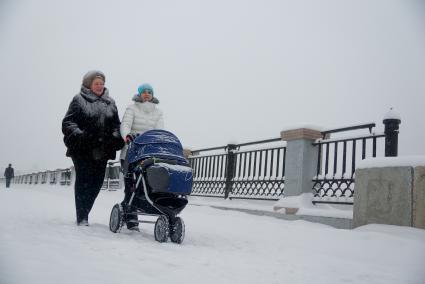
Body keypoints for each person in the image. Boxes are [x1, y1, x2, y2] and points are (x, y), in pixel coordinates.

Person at [62, 70, 124, 226]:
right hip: (82, 147)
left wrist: (116, 136)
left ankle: (85, 211)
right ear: (89, 84)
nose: (100, 86)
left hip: (102, 149)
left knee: (96, 183)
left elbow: (117, 125)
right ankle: (82, 217)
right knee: (84, 181)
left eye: (102, 83)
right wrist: (80, 134)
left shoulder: (110, 103)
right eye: (96, 83)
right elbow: (68, 123)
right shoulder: (79, 100)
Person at [120, 83, 164, 230]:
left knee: (143, 186)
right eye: (144, 92)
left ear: (152, 95)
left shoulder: (158, 113)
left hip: (148, 154)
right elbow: (125, 124)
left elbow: (160, 130)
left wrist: (159, 141)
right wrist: (127, 135)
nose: (146, 94)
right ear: (139, 94)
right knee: (131, 186)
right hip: (131, 152)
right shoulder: (132, 108)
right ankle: (131, 218)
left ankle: (130, 207)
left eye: (149, 92)